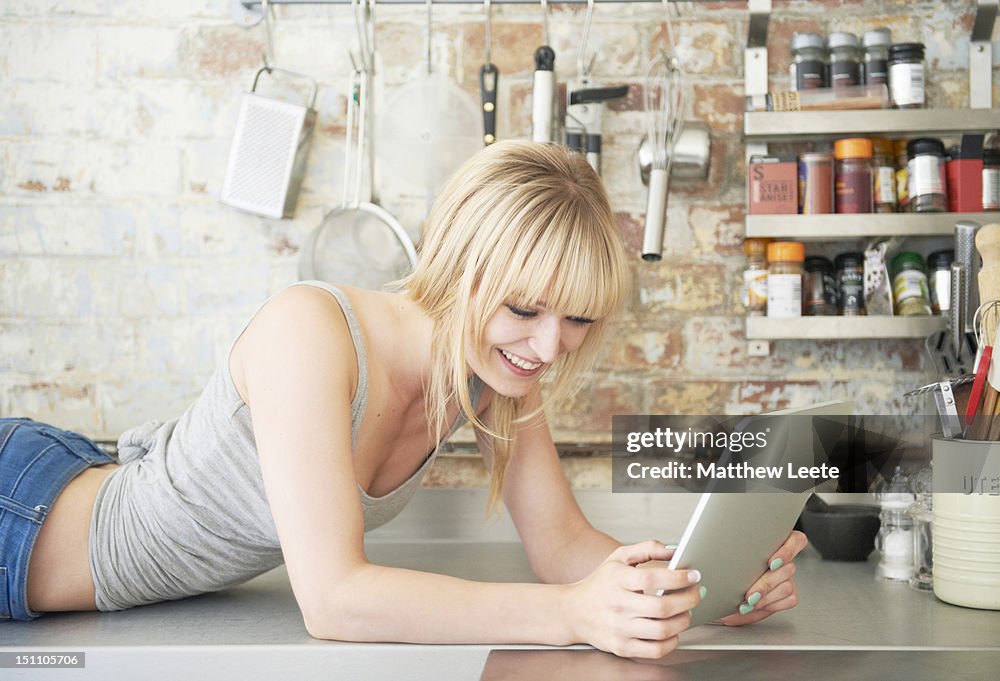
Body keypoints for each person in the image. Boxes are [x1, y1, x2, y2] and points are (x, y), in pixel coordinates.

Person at [0, 140, 806, 658]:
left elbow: (563, 543)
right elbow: (335, 599)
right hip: (24, 517)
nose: (550, 344)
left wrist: (699, 585)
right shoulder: (308, 332)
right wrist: (571, 614)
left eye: (577, 318)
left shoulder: (493, 373)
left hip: (74, 481)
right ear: (459, 266)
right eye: (524, 307)